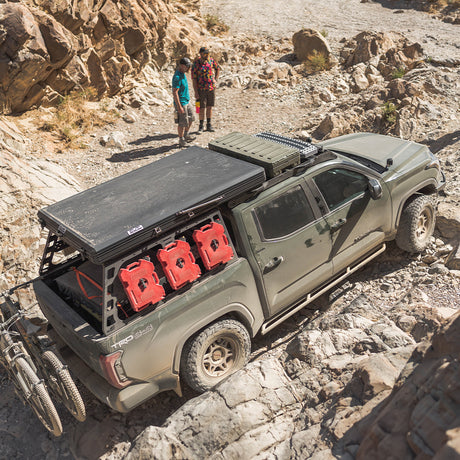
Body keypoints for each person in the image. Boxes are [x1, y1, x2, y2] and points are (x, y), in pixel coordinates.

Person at [191, 47, 220, 133]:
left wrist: (216, 79)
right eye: (205, 53)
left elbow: (217, 68)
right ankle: (201, 126)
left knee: (209, 106)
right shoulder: (196, 64)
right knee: (201, 108)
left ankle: (209, 124)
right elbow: (194, 79)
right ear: (201, 54)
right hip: (201, 89)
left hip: (211, 88)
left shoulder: (211, 61)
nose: (207, 55)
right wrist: (196, 92)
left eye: (207, 53)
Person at [172, 57, 195, 147]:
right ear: (182, 66)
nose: (189, 68)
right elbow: (175, 92)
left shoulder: (183, 74)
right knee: (182, 122)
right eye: (187, 66)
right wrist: (179, 106)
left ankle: (186, 134)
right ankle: (181, 140)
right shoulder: (177, 77)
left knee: (191, 118)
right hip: (181, 103)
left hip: (186, 101)